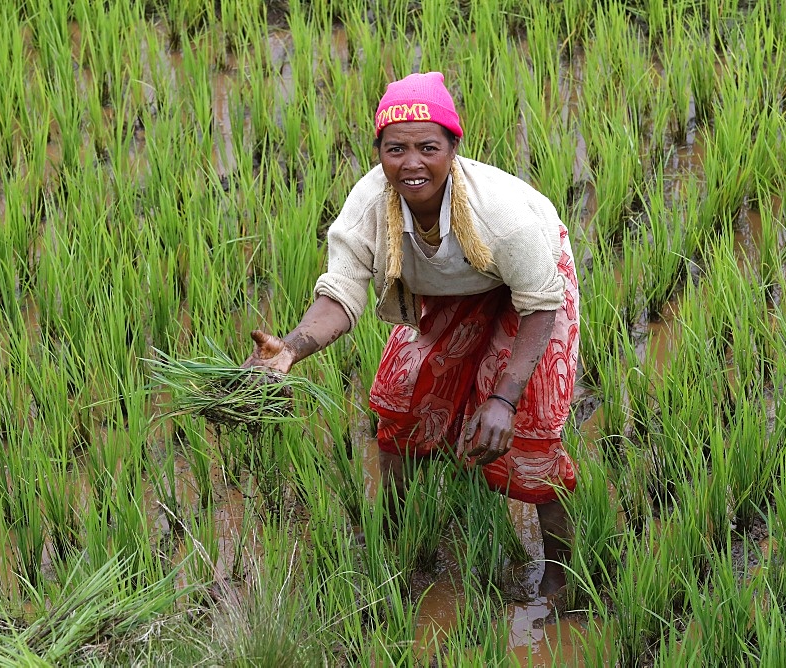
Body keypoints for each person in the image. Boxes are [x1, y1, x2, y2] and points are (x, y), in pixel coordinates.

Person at [243, 72, 580, 597]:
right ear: (379, 151)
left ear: (454, 148)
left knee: (530, 431)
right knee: (402, 399)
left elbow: (540, 303)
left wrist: (504, 400)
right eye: (396, 149)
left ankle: (564, 576)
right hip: (452, 288)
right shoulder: (371, 205)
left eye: (428, 147)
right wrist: (291, 347)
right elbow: (342, 292)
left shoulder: (503, 215)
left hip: (535, 291)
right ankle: (403, 544)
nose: (412, 163)